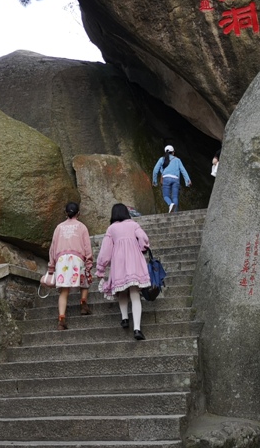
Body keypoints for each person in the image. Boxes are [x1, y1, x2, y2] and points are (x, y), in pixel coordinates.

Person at [95, 203, 151, 340]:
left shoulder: (111, 229)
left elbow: (105, 251)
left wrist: (100, 269)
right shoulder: (133, 225)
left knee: (121, 291)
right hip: (134, 261)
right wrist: (142, 247)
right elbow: (143, 239)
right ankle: (137, 328)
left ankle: (125, 318)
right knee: (134, 292)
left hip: (118, 262)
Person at [47, 202, 93, 330]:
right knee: (84, 282)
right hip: (77, 258)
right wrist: (89, 262)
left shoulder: (58, 228)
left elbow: (52, 248)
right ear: (78, 213)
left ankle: (61, 318)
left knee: (64, 290)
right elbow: (87, 246)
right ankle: (83, 301)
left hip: (61, 260)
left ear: (65, 213)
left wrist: (51, 266)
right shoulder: (82, 227)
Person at [152, 145, 191, 213]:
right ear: (173, 152)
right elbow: (183, 170)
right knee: (175, 197)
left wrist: (154, 181)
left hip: (166, 179)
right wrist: (187, 181)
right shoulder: (177, 160)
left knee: (166, 196)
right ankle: (175, 212)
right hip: (176, 179)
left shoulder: (161, 159)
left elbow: (155, 170)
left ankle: (170, 204)